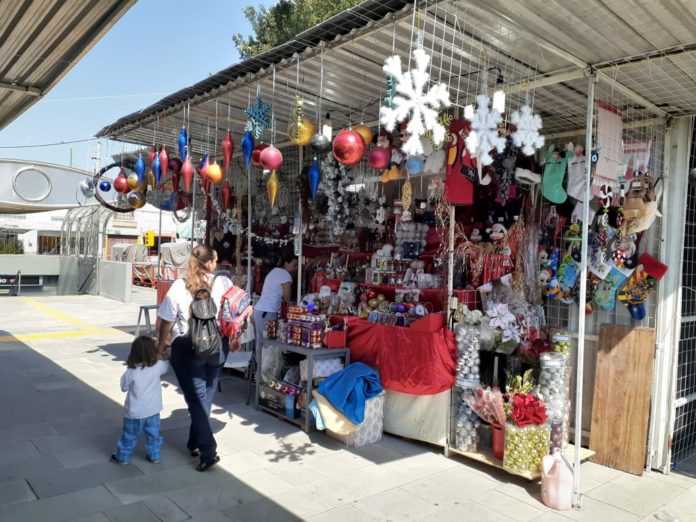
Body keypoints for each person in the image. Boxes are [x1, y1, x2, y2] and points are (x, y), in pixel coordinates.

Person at [156, 244, 231, 472]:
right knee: (205, 397)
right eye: (215, 260)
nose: (216, 265)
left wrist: (161, 343)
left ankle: (207, 451)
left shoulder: (179, 286)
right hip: (217, 346)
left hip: (187, 347)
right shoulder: (224, 283)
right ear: (208, 263)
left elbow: (166, 319)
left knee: (198, 400)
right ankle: (194, 442)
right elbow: (233, 313)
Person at [111, 336, 169, 465]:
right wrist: (163, 351)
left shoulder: (131, 372)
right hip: (153, 409)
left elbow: (123, 387)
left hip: (135, 412)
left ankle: (122, 457)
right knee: (154, 435)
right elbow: (166, 365)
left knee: (130, 435)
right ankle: (155, 456)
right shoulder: (158, 366)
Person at [253, 252, 297, 353]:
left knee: (261, 343)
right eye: (294, 265)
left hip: (260, 311)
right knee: (269, 344)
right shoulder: (286, 275)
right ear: (286, 263)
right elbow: (287, 299)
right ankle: (265, 368)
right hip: (268, 312)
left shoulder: (274, 271)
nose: (295, 268)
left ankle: (259, 367)